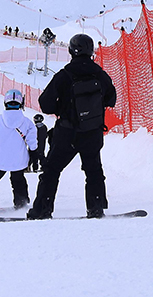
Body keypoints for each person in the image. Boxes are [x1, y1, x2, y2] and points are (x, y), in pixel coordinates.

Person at [27, 34, 116, 220]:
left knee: (51, 171)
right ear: (91, 51)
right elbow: (111, 99)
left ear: (71, 51)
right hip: (92, 133)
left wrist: (63, 108)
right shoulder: (100, 74)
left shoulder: (64, 75)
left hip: (66, 133)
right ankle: (96, 208)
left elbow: (45, 104)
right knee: (93, 170)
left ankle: (42, 210)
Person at [0, 89, 38, 212]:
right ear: (21, 103)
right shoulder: (27, 122)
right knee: (18, 180)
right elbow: (32, 142)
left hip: (1, 159)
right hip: (19, 159)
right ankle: (21, 204)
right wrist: (35, 156)